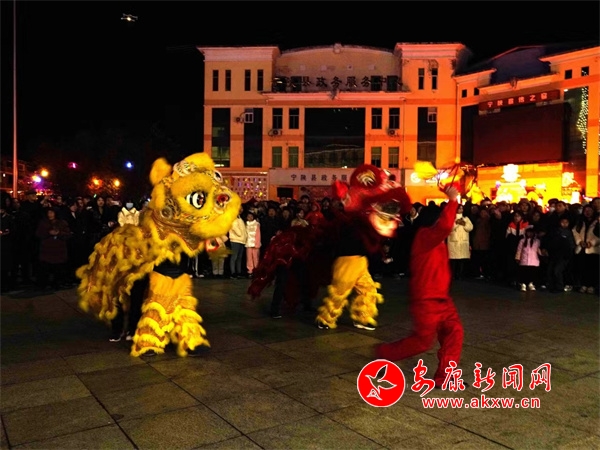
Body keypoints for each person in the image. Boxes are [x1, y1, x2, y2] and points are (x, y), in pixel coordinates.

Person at [376, 186, 464, 389]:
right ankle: (383, 354)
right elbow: (445, 226)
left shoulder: (435, 240)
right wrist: (452, 201)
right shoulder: (425, 237)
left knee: (455, 333)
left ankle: (445, 376)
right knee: (422, 342)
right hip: (427, 300)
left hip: (442, 298)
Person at [515, 226, 542, 291]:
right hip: (524, 260)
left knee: (532, 273)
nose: (530, 234)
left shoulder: (537, 241)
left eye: (531, 232)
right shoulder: (522, 240)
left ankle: (531, 283)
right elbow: (519, 250)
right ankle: (523, 284)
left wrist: (542, 254)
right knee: (524, 272)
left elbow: (539, 250)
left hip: (534, 260)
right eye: (528, 232)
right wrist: (517, 258)